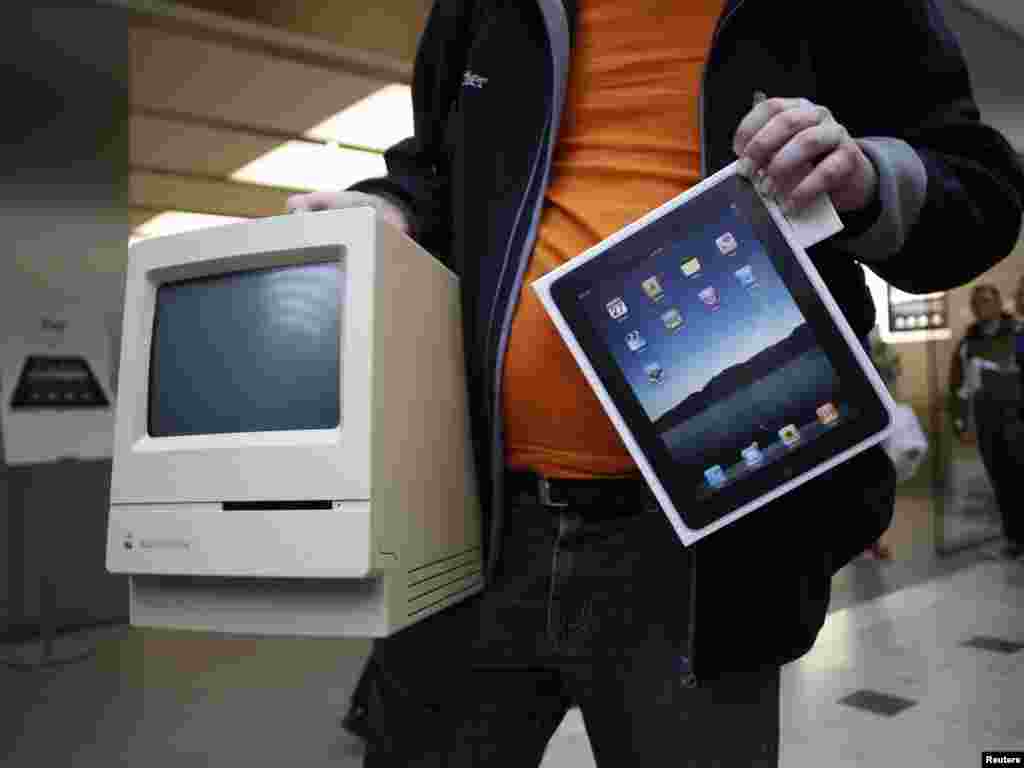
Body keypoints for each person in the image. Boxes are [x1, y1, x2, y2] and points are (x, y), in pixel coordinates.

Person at [290, 1, 1024, 763]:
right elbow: (439, 168)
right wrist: (393, 206)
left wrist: (867, 178)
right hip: (475, 519)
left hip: (711, 552)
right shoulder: (485, 8)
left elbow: (982, 191)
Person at [948, 284, 1022, 559]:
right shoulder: (969, 343)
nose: (983, 306)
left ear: (999, 302)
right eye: (977, 301)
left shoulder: (1017, 334)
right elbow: (957, 387)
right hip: (987, 423)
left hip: (1018, 421)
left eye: (988, 300)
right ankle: (1014, 538)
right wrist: (960, 423)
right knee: (1002, 481)